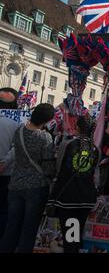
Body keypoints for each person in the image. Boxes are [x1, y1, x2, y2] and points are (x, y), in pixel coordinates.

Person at [0, 103, 55, 253]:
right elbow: (49, 166)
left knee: (12, 227)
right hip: (36, 187)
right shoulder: (45, 137)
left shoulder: (18, 131)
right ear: (47, 120)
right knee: (28, 229)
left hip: (16, 183)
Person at [46, 114, 99, 253]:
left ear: (77, 127)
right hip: (86, 199)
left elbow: (58, 168)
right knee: (76, 236)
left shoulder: (67, 144)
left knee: (71, 238)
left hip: (69, 199)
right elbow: (95, 176)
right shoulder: (95, 149)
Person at [0, 88, 19, 239]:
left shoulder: (16, 124)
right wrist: (4, 163)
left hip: (6, 172)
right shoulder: (16, 124)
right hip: (6, 173)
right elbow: (15, 148)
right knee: (3, 209)